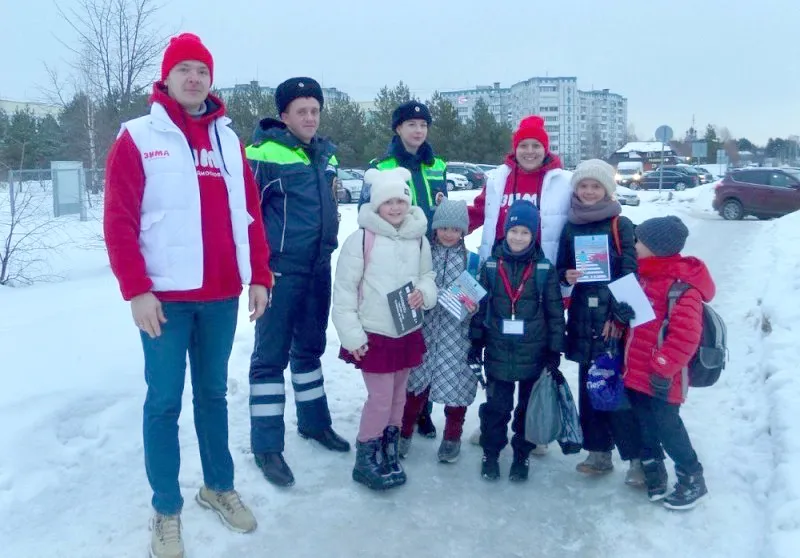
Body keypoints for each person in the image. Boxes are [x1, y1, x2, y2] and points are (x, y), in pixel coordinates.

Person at [104, 33, 268, 558]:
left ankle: (217, 487)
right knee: (164, 401)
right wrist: (136, 290)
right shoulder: (137, 137)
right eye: (185, 70)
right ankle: (166, 508)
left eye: (202, 70)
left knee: (213, 396)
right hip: (165, 301)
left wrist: (259, 276)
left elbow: (250, 214)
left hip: (221, 296)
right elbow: (119, 222)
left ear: (210, 80)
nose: (194, 78)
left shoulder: (228, 139)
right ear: (167, 78)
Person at [245, 77, 350, 489]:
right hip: (279, 272)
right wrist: (256, 269)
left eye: (315, 110)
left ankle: (314, 424)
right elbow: (245, 215)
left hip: (318, 266)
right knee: (270, 357)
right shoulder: (262, 153)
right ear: (284, 115)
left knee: (309, 350)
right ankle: (267, 446)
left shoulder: (325, 155)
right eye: (301, 111)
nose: (309, 117)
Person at [466, 115, 573, 451]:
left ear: (545, 149)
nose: (529, 151)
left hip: (541, 281)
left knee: (534, 356)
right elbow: (479, 211)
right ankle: (494, 428)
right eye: (523, 145)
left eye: (535, 145)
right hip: (499, 278)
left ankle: (531, 429)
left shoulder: (562, 182)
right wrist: (444, 227)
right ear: (515, 149)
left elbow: (576, 226)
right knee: (499, 351)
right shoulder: (498, 178)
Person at [332, 167, 437, 490]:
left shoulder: (418, 239)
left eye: (400, 201)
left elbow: (427, 276)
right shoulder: (361, 239)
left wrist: (425, 293)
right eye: (388, 202)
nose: (395, 208)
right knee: (379, 398)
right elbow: (345, 291)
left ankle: (388, 447)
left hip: (405, 332)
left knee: (397, 398)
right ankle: (365, 455)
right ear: (376, 205)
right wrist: (352, 336)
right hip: (373, 334)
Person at [359, 100, 448, 438]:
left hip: (429, 256)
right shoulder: (382, 166)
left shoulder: (437, 164)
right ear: (398, 129)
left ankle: (420, 408)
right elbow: (367, 213)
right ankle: (393, 410)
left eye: (423, 125)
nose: (418, 130)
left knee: (426, 337)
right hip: (394, 258)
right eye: (411, 124)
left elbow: (443, 207)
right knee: (398, 335)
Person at [555, 159, 643, 485]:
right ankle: (598, 453)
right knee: (591, 389)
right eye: (583, 185)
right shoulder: (570, 226)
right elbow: (560, 269)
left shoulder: (622, 225)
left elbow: (631, 273)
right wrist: (566, 274)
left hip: (612, 322)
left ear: (607, 189)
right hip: (582, 318)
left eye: (596, 186)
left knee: (618, 392)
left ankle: (636, 459)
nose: (589, 191)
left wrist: (619, 316)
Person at [469, 200, 566, 482]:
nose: (519, 238)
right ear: (505, 231)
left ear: (533, 235)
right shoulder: (490, 265)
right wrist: (476, 340)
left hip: (533, 353)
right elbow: (480, 307)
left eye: (525, 233)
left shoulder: (544, 269)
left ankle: (522, 454)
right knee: (496, 408)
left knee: (526, 409)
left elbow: (555, 313)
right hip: (498, 350)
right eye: (514, 231)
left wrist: (553, 350)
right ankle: (491, 453)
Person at [623, 216, 715, 510]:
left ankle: (692, 477)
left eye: (639, 241)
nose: (634, 245)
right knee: (644, 424)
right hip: (636, 371)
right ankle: (655, 470)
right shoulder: (643, 276)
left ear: (656, 247)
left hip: (665, 376)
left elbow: (686, 337)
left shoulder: (681, 289)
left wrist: (662, 367)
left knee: (667, 426)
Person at [399, 199, 481, 464]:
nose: (448, 234)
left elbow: (472, 301)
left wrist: (467, 303)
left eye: (455, 229)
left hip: (457, 337)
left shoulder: (473, 261)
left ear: (464, 231)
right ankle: (403, 433)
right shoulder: (423, 254)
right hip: (424, 332)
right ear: (435, 228)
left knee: (456, 388)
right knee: (414, 387)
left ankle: (452, 438)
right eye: (443, 228)